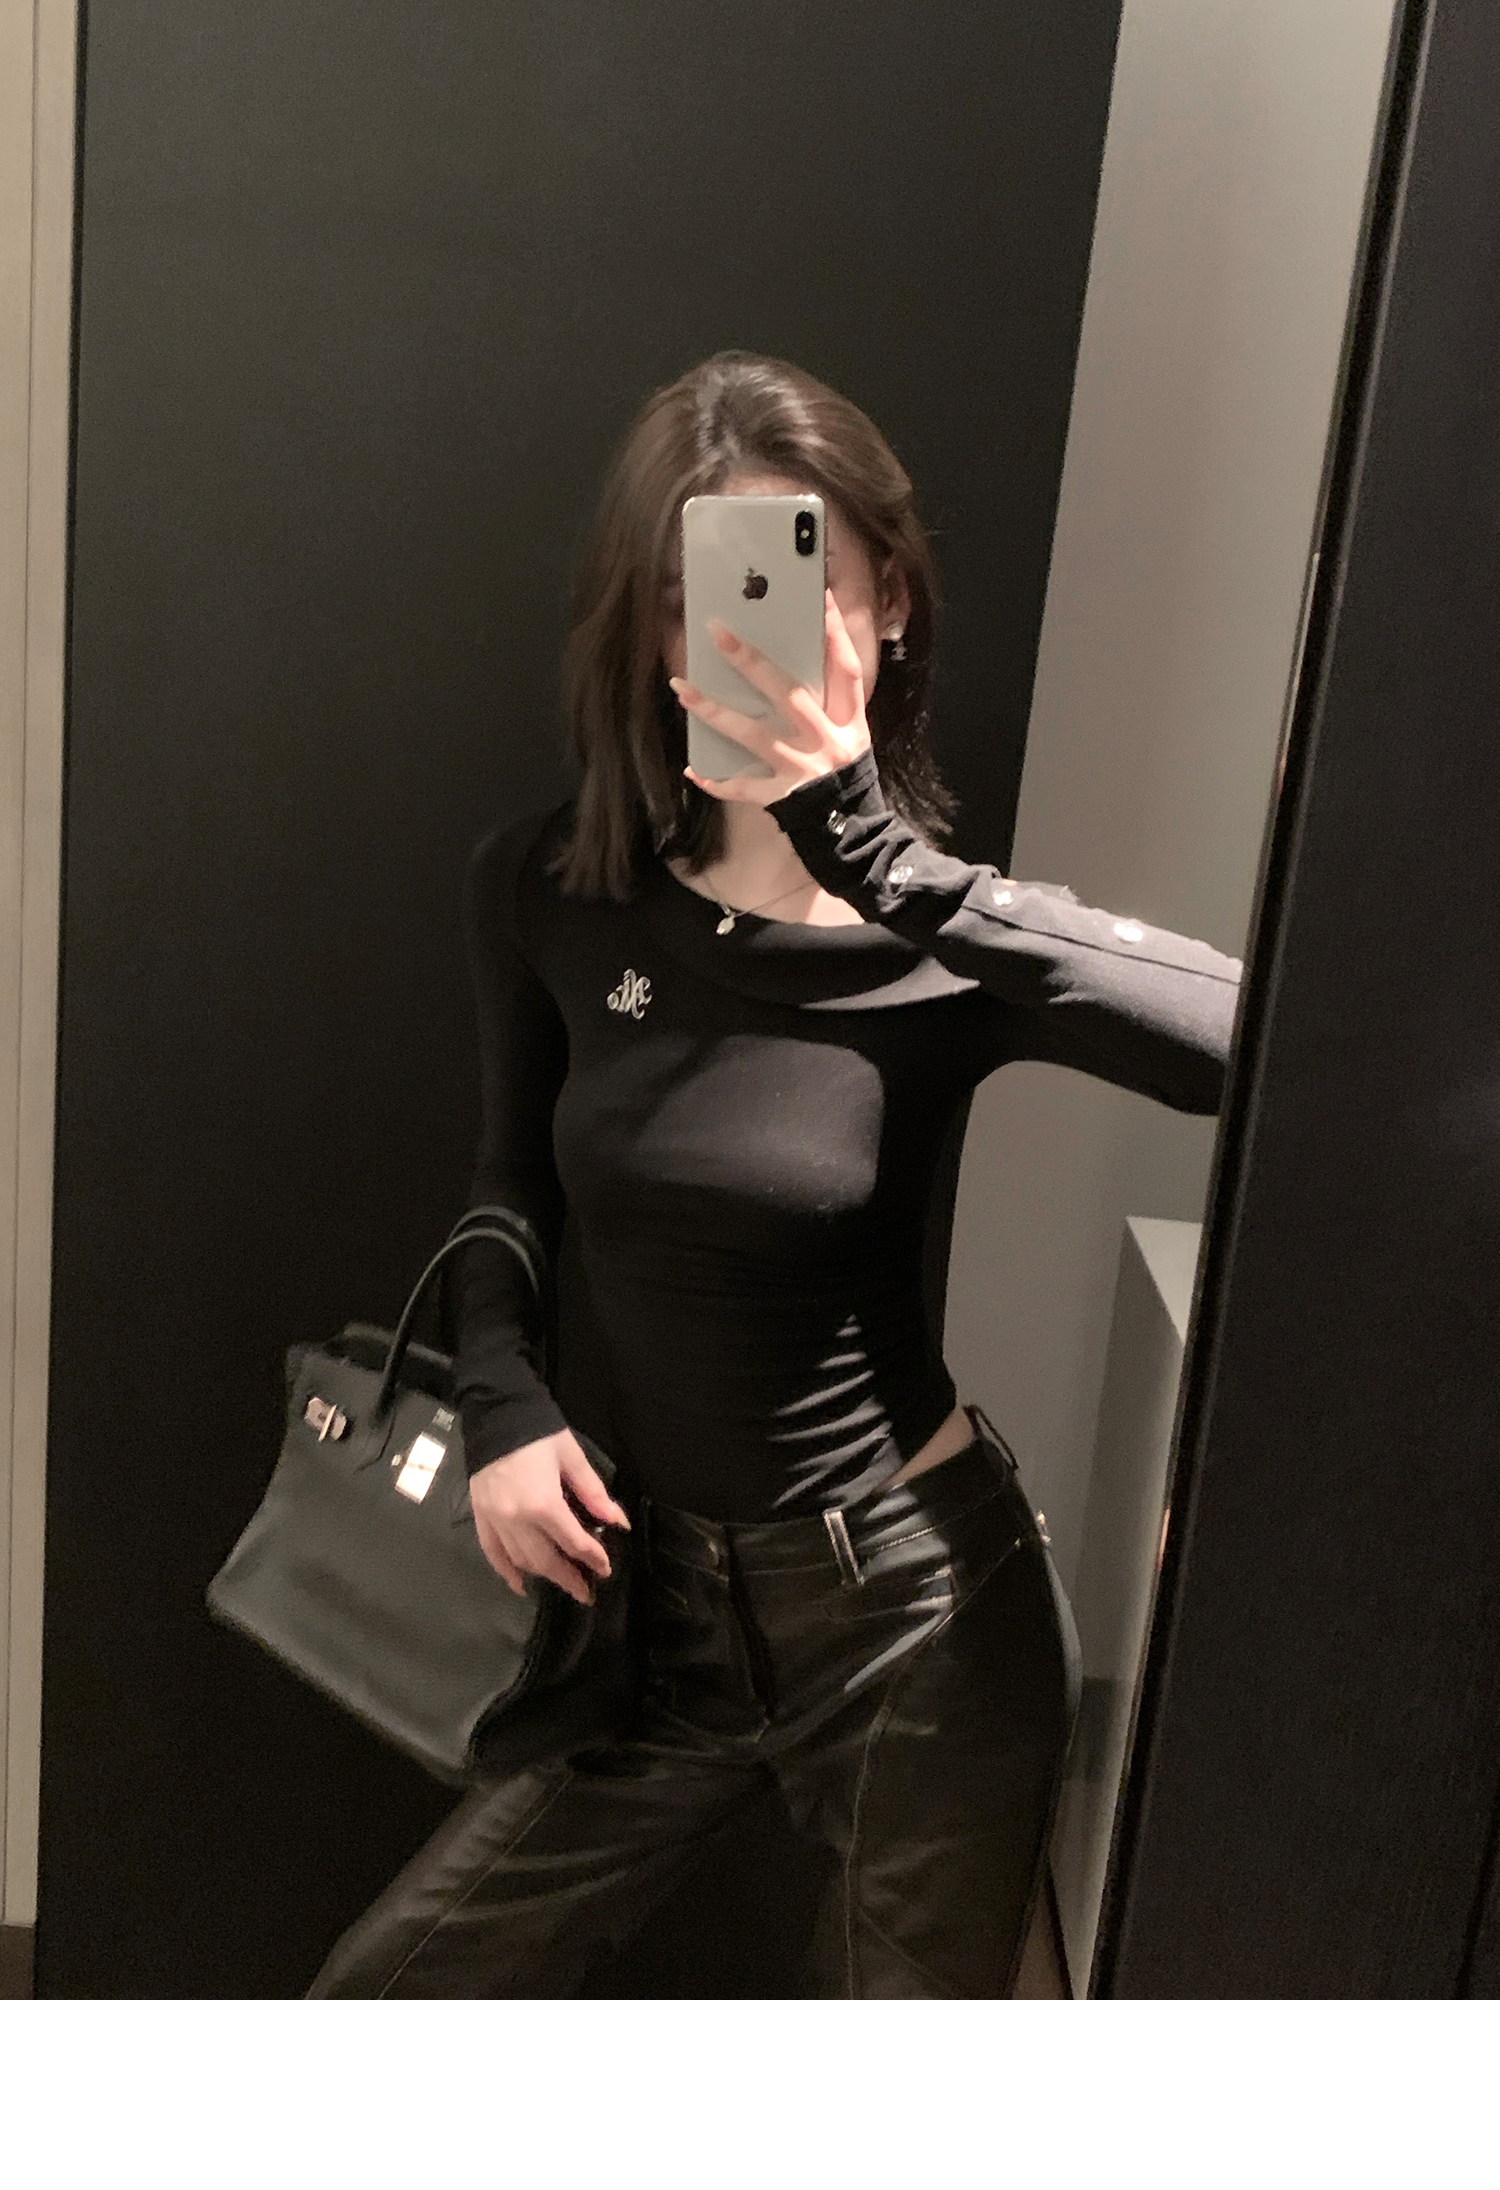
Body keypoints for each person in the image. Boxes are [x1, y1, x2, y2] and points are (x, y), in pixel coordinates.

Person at [309, 351, 1242, 1998]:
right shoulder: (548, 893)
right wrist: (504, 1400)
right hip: (652, 1618)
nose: (737, 638)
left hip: (916, 1626)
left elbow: (1261, 1047)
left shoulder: (944, 939)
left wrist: (885, 861)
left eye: (793, 582)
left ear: (889, 603)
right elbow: (507, 1186)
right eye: (695, 600)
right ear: (649, 635)